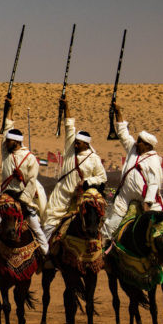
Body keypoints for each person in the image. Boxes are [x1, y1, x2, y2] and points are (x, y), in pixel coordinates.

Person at [0, 98, 48, 256]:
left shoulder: (30, 158)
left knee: (37, 228)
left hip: (23, 198)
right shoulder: (6, 154)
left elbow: (31, 181)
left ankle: (46, 257)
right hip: (7, 198)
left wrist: (23, 199)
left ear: (16, 142)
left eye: (8, 141)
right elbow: (7, 129)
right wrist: (10, 108)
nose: (5, 143)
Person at [42, 98, 107, 252]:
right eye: (75, 142)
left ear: (86, 144)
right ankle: (46, 254)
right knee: (49, 224)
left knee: (94, 222)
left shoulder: (94, 159)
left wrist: (86, 182)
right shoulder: (70, 150)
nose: (75, 144)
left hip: (82, 197)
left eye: (79, 143)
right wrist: (67, 107)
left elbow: (102, 178)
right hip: (62, 194)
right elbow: (69, 127)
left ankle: (100, 251)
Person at [100, 103, 163, 240]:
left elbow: (154, 184)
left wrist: (147, 203)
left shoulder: (153, 161)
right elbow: (123, 134)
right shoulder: (133, 149)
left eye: (140, 141)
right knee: (110, 226)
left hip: (145, 199)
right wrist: (118, 112)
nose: (137, 142)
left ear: (147, 145)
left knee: (158, 231)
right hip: (125, 196)